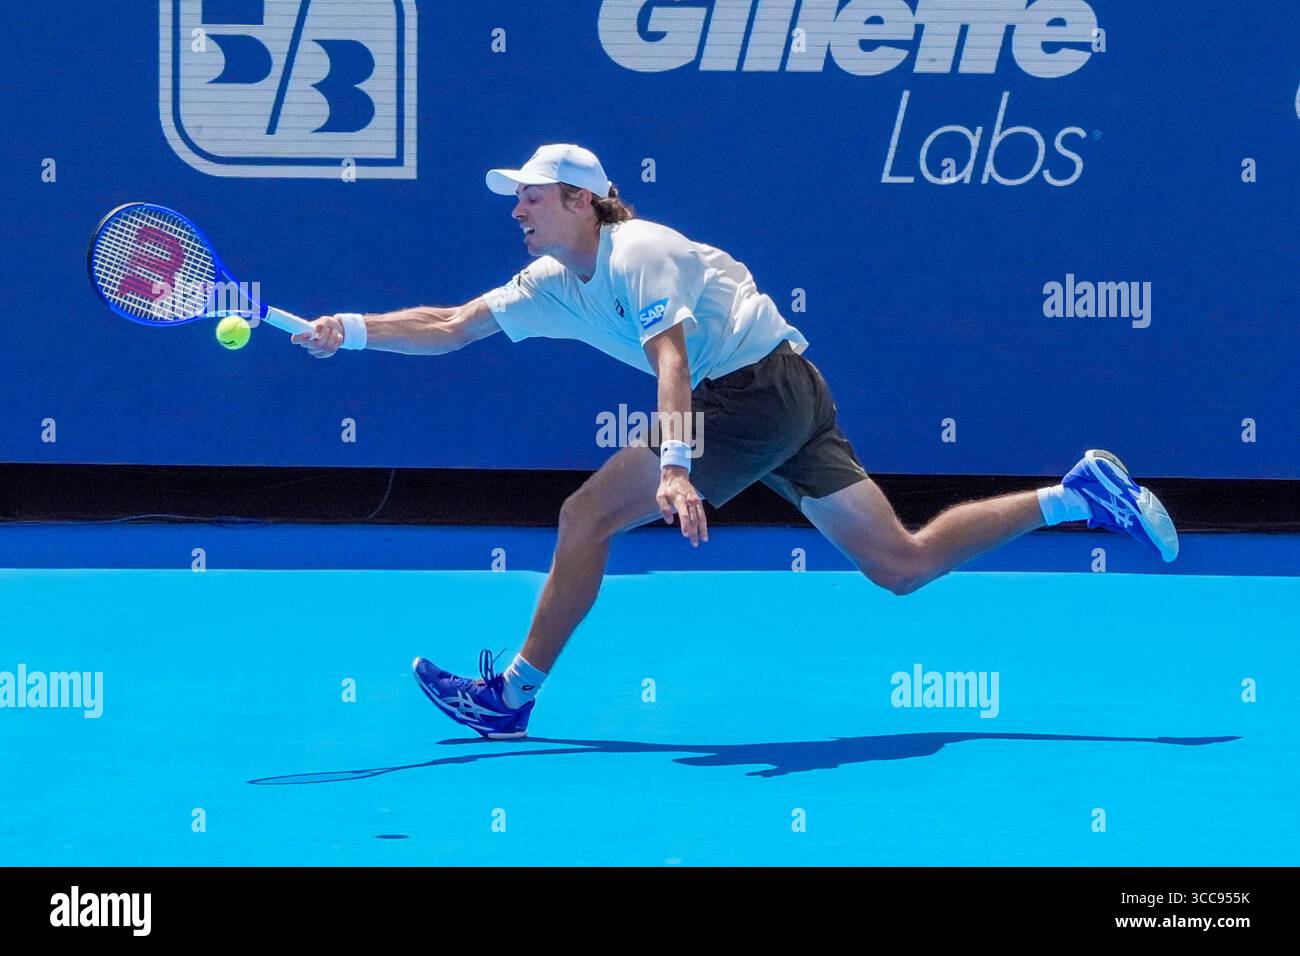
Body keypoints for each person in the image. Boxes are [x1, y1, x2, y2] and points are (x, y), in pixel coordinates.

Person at [292, 143, 1179, 740]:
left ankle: (512, 696)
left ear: (579, 201)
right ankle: (1077, 495)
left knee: (585, 515)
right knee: (899, 565)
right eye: (515, 199)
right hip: (783, 389)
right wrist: (353, 330)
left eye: (530, 197)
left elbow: (671, 362)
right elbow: (450, 325)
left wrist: (676, 465)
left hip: (749, 394)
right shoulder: (550, 279)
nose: (516, 209)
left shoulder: (639, 250)